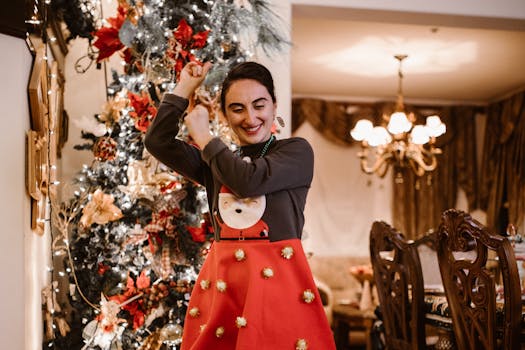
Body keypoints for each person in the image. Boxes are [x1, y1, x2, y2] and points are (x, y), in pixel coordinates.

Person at [144, 60, 335, 350]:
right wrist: (185, 87)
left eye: (259, 105)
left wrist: (205, 137)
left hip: (279, 290)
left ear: (274, 106)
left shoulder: (296, 152)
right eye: (237, 108)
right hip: (225, 289)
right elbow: (157, 141)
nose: (250, 117)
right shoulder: (216, 161)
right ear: (223, 113)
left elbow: (248, 182)